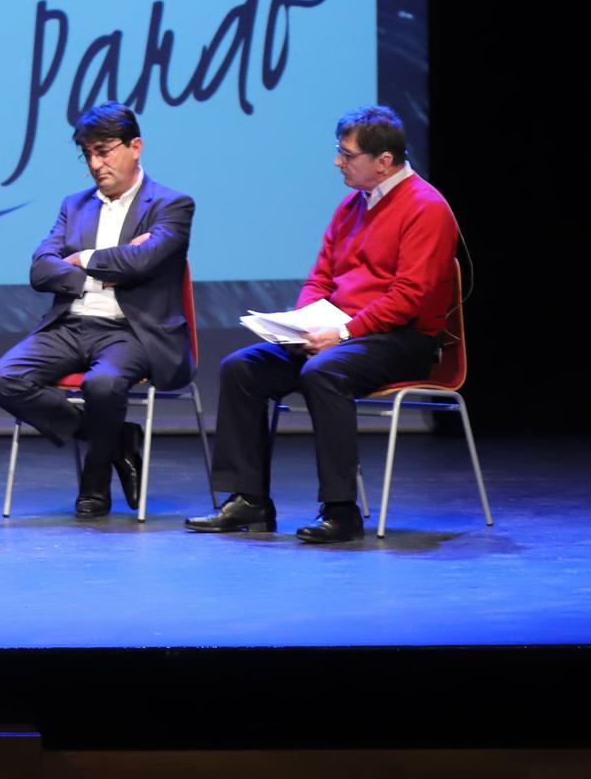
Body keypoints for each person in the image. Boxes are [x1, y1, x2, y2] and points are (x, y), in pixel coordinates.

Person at [188, 105, 459, 544]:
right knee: (242, 368)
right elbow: (321, 277)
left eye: (346, 155)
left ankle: (341, 510)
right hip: (343, 334)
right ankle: (249, 501)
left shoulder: (426, 208)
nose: (338, 162)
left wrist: (344, 333)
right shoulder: (351, 207)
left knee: (324, 371)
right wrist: (303, 326)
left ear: (384, 162)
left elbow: (410, 297)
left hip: (403, 338)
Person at [0, 102, 196, 517]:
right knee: (2, 379)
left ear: (136, 146)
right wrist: (101, 269)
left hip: (131, 330)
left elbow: (145, 261)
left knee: (103, 385)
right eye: (88, 154)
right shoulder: (74, 205)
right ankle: (118, 441)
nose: (96, 163)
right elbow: (41, 269)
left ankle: (95, 484)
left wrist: (81, 258)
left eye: (104, 150)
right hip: (70, 324)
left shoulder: (172, 205)